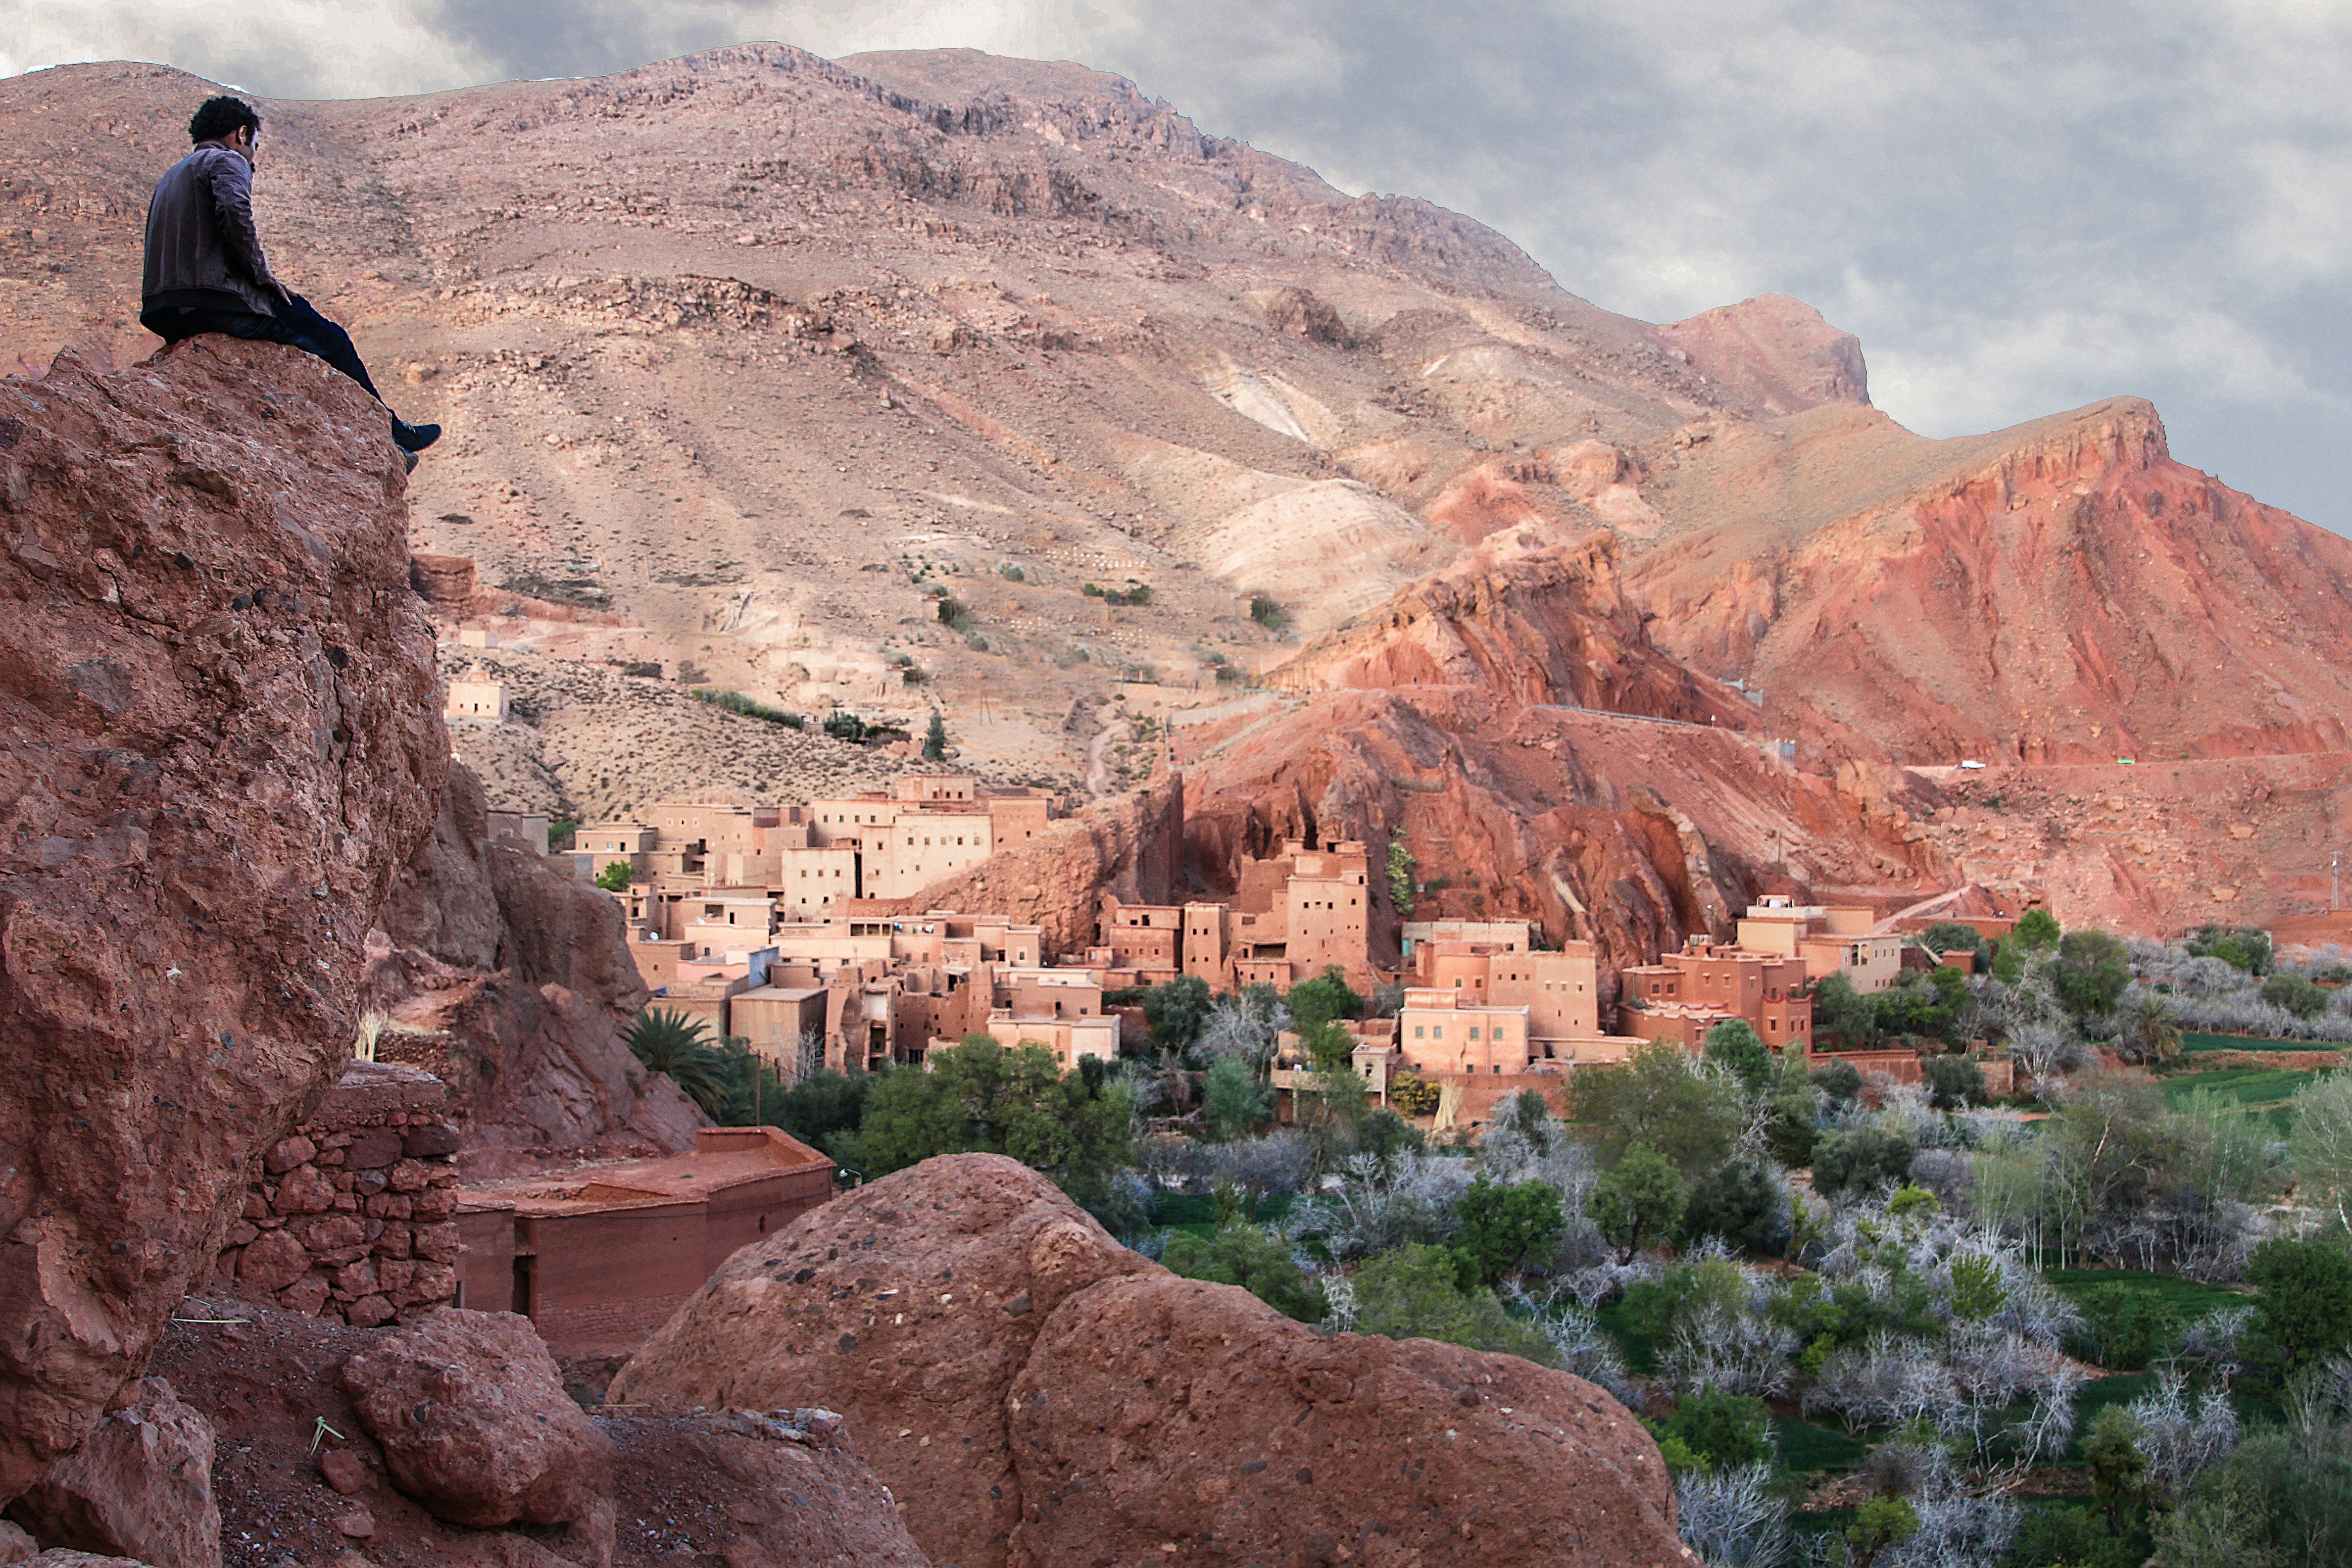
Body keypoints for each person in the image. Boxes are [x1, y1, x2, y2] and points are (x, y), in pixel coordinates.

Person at [140, 95, 439, 462]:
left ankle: (386, 433)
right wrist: (261, 275)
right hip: (214, 301)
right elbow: (235, 213)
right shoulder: (227, 159)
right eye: (254, 146)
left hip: (167, 310)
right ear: (241, 133)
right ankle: (391, 434)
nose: (253, 155)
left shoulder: (173, 173)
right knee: (330, 338)